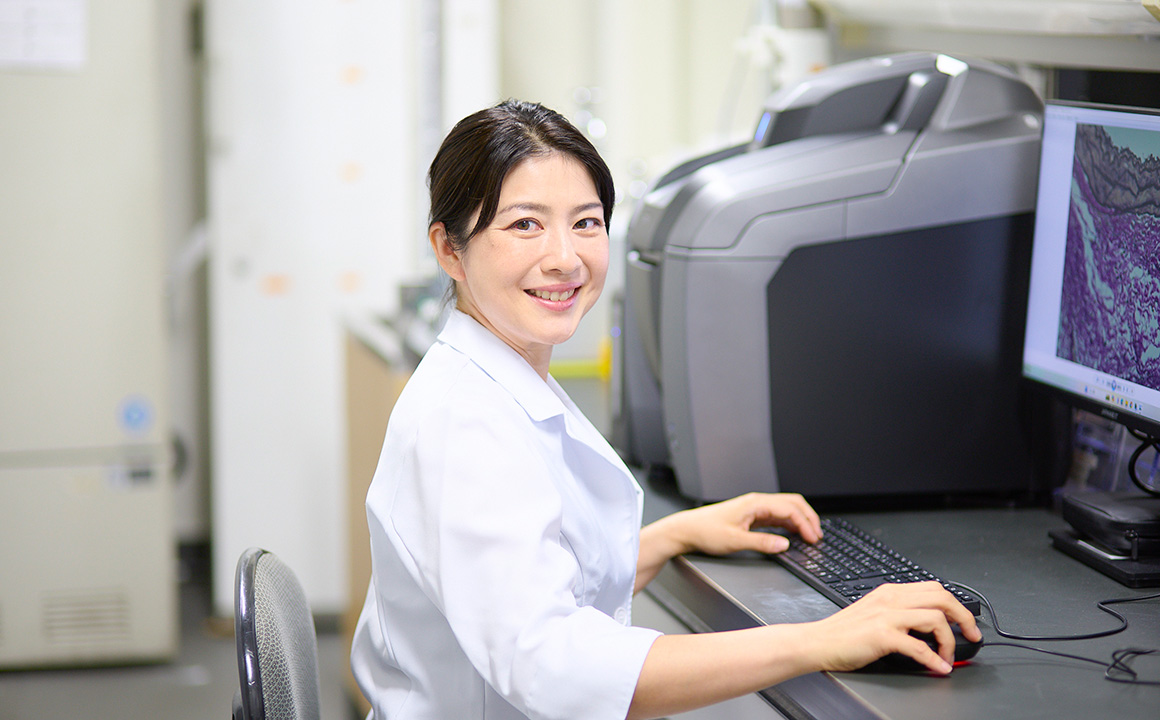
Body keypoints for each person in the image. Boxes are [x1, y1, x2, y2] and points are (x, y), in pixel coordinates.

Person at [349, 99, 981, 720]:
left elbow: (522, 583)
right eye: (524, 225)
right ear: (449, 249)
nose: (565, 257)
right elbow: (552, 668)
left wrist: (674, 535)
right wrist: (822, 640)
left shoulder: (499, 378)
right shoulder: (464, 425)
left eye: (586, 222)